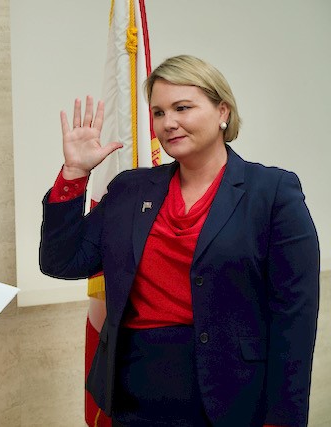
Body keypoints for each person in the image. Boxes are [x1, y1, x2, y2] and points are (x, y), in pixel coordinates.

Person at [39, 55, 319, 426]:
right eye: (158, 112)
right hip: (132, 398)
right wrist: (74, 174)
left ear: (223, 111)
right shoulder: (129, 189)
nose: (167, 123)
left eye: (182, 108)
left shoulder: (272, 193)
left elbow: (294, 319)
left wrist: (283, 419)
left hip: (230, 401)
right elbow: (61, 261)